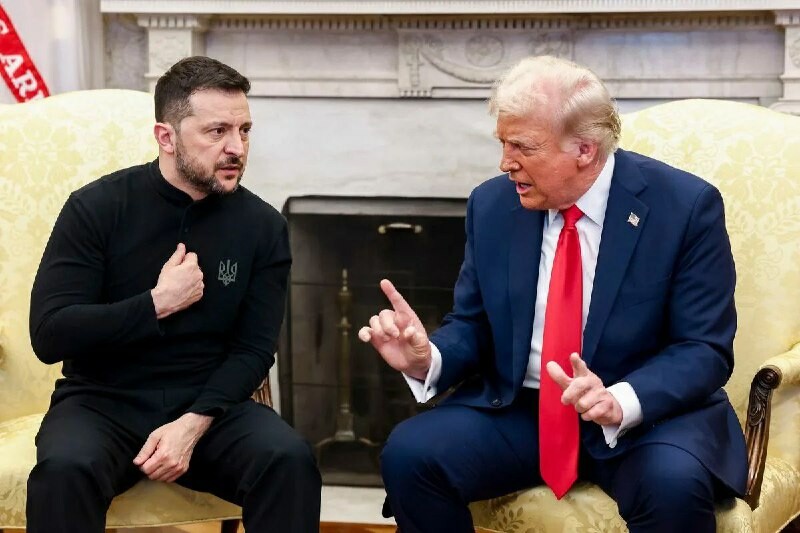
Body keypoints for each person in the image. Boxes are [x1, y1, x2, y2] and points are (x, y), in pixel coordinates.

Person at [358, 55, 747, 533]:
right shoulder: (492, 204)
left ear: (584, 149)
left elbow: (703, 348)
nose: (506, 163)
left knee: (673, 486)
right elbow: (474, 323)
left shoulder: (684, 207)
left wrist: (621, 399)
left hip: (644, 416)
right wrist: (428, 359)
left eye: (522, 146)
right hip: (524, 410)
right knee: (410, 455)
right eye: (503, 143)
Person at [27, 56, 321, 533]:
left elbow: (253, 350)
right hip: (102, 402)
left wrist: (193, 422)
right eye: (217, 131)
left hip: (209, 406)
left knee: (289, 460)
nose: (236, 147)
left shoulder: (263, 226)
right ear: (166, 137)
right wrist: (155, 304)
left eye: (244, 130)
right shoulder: (96, 208)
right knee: (64, 471)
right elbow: (50, 334)